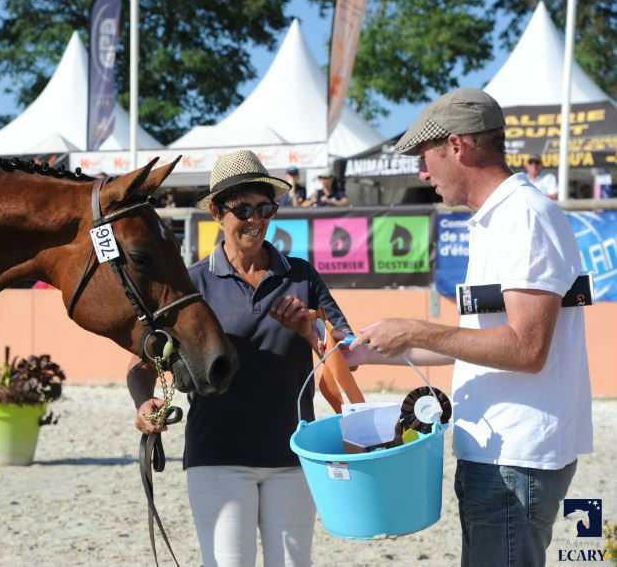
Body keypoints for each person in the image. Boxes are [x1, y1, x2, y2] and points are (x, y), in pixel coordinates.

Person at [344, 88, 592, 567]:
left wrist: (416, 330)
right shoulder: (498, 220)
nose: (422, 172)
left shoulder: (524, 218)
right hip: (500, 457)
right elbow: (475, 345)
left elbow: (525, 349)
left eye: (425, 156)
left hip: (516, 460)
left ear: (457, 147)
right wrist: (364, 352)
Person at [127, 149, 351, 567]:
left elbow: (347, 353)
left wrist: (309, 330)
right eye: (243, 209)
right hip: (218, 457)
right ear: (216, 211)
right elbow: (142, 365)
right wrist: (144, 403)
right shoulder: (190, 283)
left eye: (265, 208)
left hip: (295, 455)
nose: (256, 220)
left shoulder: (301, 275)